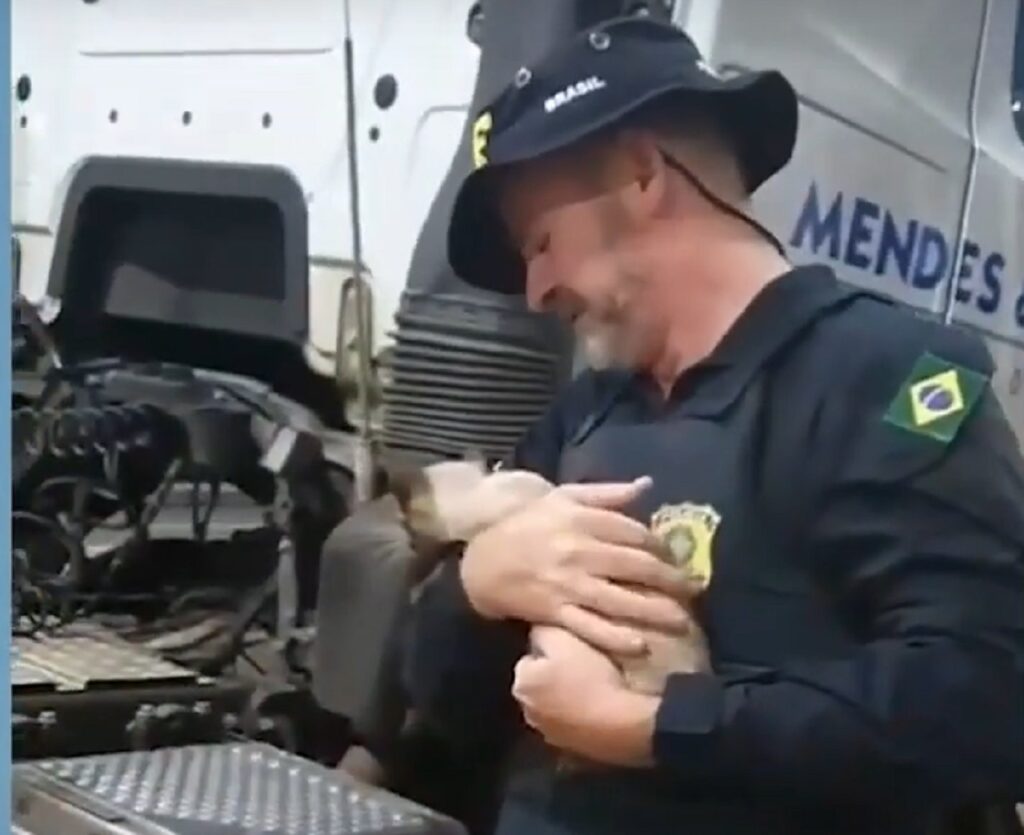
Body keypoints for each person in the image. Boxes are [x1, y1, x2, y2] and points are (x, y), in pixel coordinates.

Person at [404, 16, 1024, 835]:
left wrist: (659, 729)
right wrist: (478, 583)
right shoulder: (587, 415)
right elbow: (442, 699)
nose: (535, 289)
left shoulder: (887, 379)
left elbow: (984, 698)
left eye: (542, 241)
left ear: (641, 172)